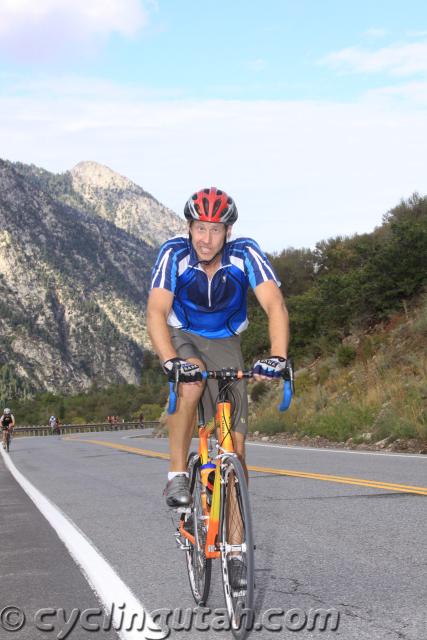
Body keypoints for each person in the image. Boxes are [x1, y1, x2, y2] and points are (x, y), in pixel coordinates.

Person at [147, 187, 289, 509]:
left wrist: (278, 356)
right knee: (192, 379)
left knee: (235, 448)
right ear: (189, 228)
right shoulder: (174, 253)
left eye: (215, 230)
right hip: (183, 334)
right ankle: (177, 474)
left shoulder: (245, 252)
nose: (206, 239)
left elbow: (275, 305)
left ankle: (236, 536)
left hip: (226, 341)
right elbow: (156, 311)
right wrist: (170, 361)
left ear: (228, 231)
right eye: (200, 228)